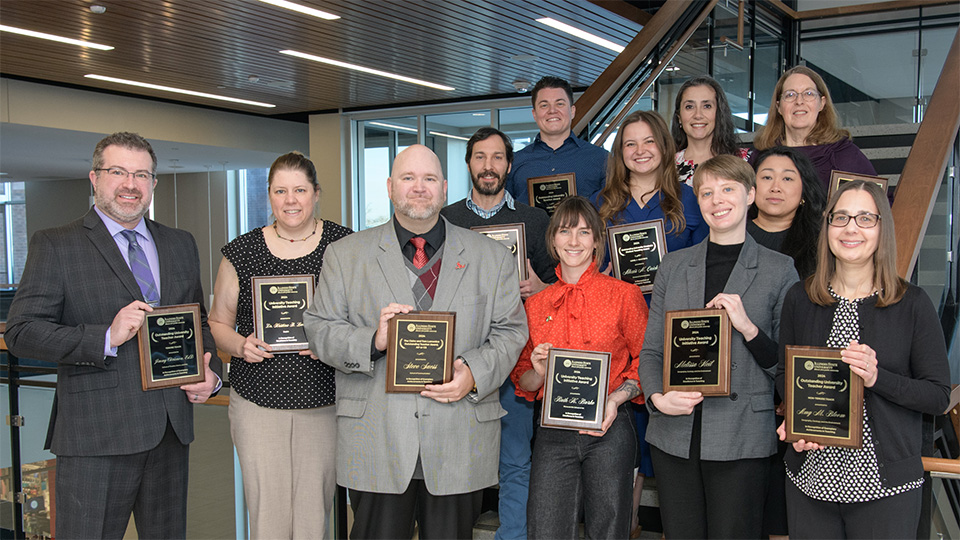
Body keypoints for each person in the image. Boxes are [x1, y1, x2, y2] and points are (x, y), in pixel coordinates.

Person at [303, 144, 528, 539]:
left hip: (458, 436)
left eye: (428, 179)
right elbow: (320, 329)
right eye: (408, 178)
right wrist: (373, 340)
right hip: (377, 438)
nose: (418, 188)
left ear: (443, 189)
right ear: (391, 187)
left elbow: (511, 331)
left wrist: (472, 375)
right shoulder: (345, 256)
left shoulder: (491, 258)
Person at [5, 132, 222, 539]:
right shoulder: (56, 244)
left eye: (142, 174)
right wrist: (105, 335)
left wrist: (212, 376)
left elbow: (199, 323)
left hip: (170, 431)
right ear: (94, 177)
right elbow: (21, 332)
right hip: (96, 435)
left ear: (154, 184)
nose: (130, 184)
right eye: (118, 171)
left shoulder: (179, 243)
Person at [775, 180, 951, 539]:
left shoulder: (912, 303)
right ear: (827, 228)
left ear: (882, 229)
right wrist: (797, 422)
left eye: (865, 218)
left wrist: (877, 377)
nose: (851, 228)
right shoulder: (801, 296)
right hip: (810, 479)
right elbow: (783, 375)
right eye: (841, 217)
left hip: (884, 489)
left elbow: (937, 395)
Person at [637, 154, 798, 539]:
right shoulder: (673, 266)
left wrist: (747, 328)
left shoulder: (780, 269)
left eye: (728, 189)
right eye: (706, 192)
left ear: (751, 196)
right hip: (675, 434)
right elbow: (651, 352)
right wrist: (657, 397)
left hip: (742, 435)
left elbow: (787, 369)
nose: (716, 199)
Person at [208, 152, 351, 538]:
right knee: (267, 516)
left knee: (312, 515)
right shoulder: (240, 252)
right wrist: (240, 345)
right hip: (257, 403)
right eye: (280, 191)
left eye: (300, 190)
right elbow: (218, 323)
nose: (291, 200)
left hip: (326, 401)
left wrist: (330, 343)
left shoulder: (345, 246)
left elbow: (365, 321)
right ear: (269, 196)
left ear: (316, 193)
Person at [592, 109, 708, 537]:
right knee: (625, 427)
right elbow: (586, 263)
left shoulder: (689, 199)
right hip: (617, 327)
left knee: (666, 425)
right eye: (629, 144)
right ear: (620, 154)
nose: (640, 152)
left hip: (669, 328)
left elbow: (703, 266)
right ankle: (627, 521)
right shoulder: (602, 204)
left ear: (664, 146)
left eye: (648, 142)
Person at [440, 127, 555, 540]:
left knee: (515, 461)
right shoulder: (448, 220)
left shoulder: (534, 219)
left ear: (509, 165)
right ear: (469, 163)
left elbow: (556, 286)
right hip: (460, 359)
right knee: (454, 459)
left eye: (498, 158)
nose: (489, 166)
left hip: (515, 357)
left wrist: (538, 288)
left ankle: (512, 536)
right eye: (480, 157)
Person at [511, 196, 647, 539]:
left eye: (584, 233)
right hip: (553, 432)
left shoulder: (624, 294)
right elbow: (524, 381)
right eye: (565, 232)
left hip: (610, 427)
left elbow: (647, 360)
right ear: (552, 240)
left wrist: (616, 400)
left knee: (608, 527)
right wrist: (540, 371)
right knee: (546, 526)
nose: (574, 241)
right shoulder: (536, 304)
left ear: (597, 242)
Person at [752, 66, 877, 189]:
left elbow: (875, 201)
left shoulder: (845, 155)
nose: (799, 101)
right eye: (790, 95)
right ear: (778, 106)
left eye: (809, 93)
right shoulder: (760, 157)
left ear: (822, 103)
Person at [506, 76, 609, 204]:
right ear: (534, 114)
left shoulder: (602, 159)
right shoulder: (514, 163)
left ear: (572, 111)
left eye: (560, 104)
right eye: (544, 105)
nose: (552, 111)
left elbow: (611, 211)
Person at [749, 146, 827, 279]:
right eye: (767, 177)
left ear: (804, 191)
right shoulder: (734, 235)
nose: (775, 188)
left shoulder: (821, 241)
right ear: (752, 188)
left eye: (787, 179)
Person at [671, 75, 751, 186]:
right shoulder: (666, 167)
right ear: (679, 117)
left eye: (707, 106)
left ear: (719, 113)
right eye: (689, 107)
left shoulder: (745, 160)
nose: (698, 115)